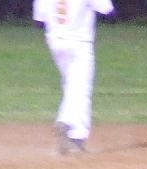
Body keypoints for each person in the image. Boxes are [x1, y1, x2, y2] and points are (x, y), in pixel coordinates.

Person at [32, 0, 114, 154]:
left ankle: (73, 134)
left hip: (55, 41)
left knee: (72, 85)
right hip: (79, 42)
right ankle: (70, 127)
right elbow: (109, 12)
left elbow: (38, 22)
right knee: (81, 88)